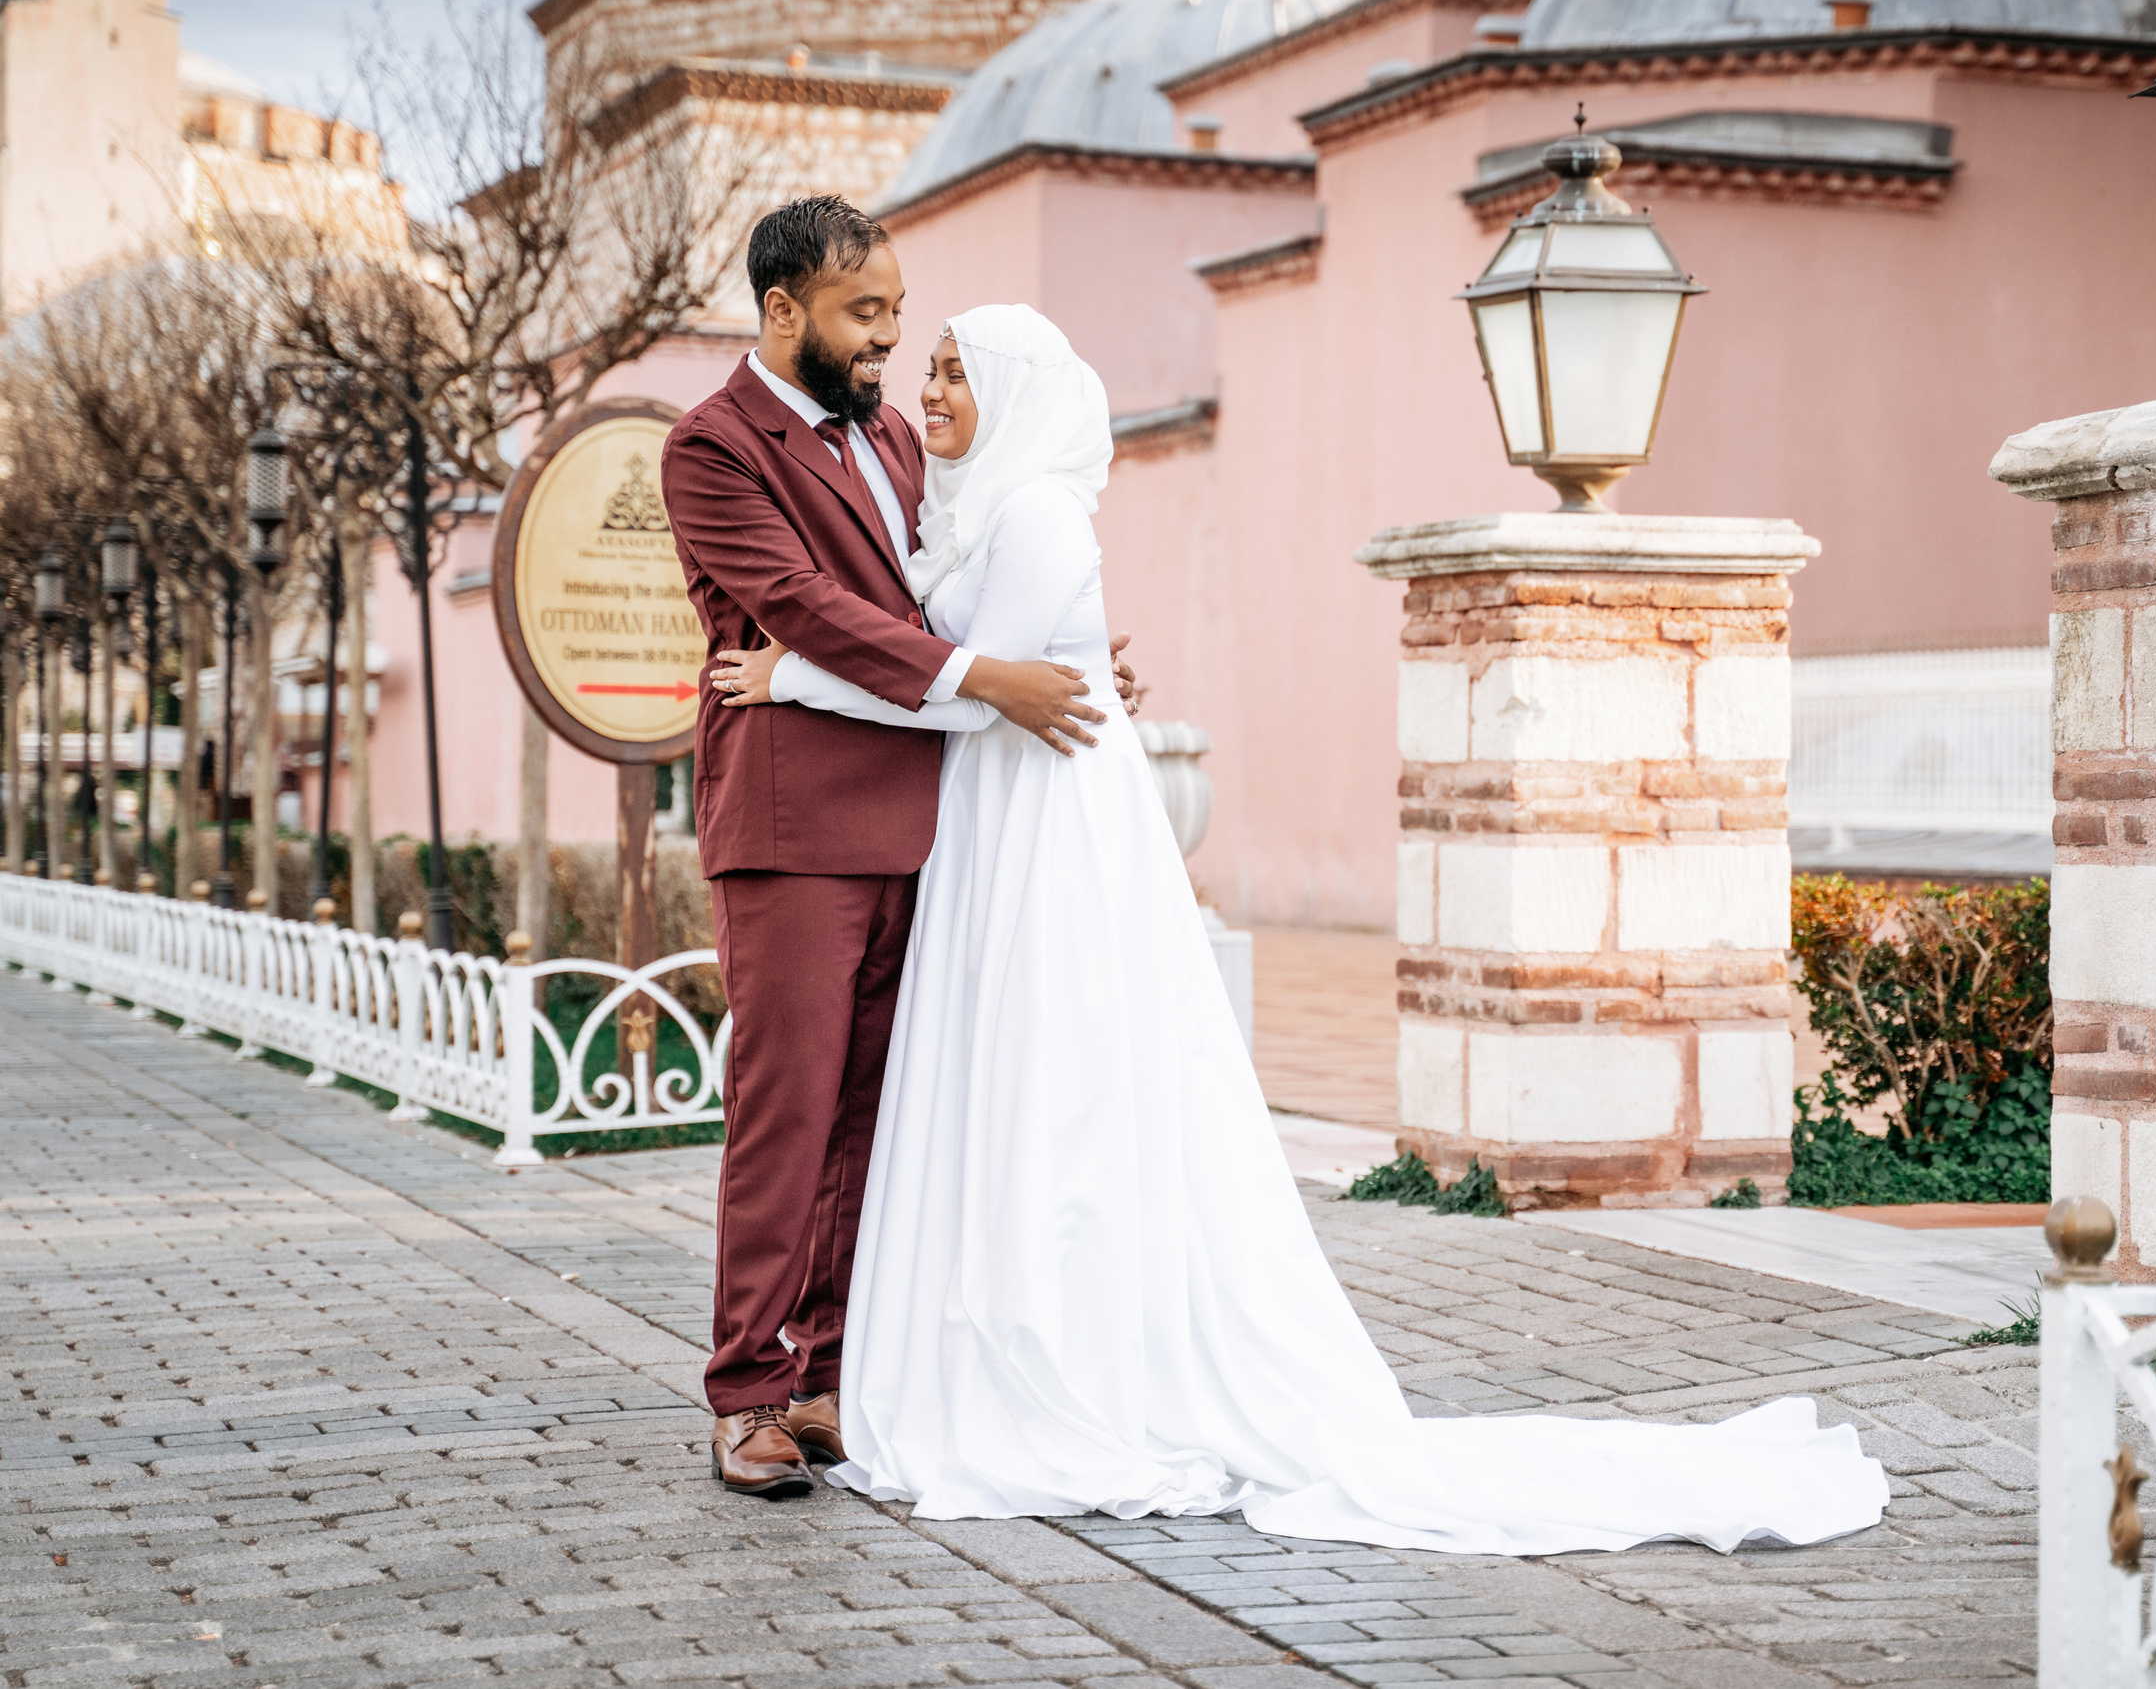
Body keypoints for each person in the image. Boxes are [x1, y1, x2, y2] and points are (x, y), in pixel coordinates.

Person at [704, 302, 1889, 1555]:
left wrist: (793, 678)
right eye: (919, 360)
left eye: (950, 367)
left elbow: (974, 692)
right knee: (992, 1080)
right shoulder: (978, 504)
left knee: (1054, 1080)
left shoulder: (1039, 511)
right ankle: (924, 1353)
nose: (922, 387)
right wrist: (1060, 662)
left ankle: (1039, 1355)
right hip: (994, 822)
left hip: (1041, 829)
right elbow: (988, 665)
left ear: (1015, 390)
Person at [660, 198, 1137, 1497]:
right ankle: (748, 1389)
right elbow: (805, 610)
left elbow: (967, 570)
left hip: (931, 811)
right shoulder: (711, 448)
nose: (888, 341)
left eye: (895, 312)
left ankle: (828, 1373)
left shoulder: (890, 436)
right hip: (795, 824)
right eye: (864, 314)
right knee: (788, 1105)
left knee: (877, 1108)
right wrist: (996, 673)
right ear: (781, 309)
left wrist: (1072, 659)